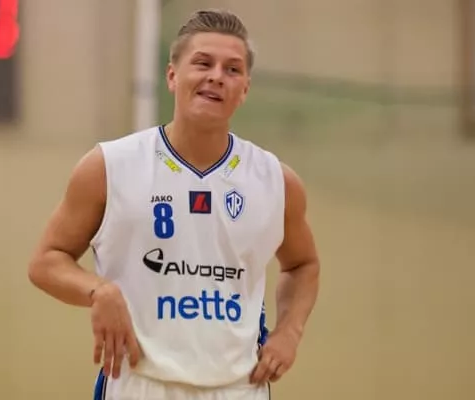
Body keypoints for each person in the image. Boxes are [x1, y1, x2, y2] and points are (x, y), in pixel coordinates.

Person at [28, 9, 320, 400]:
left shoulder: (276, 181)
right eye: (203, 63)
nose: (217, 76)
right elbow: (46, 261)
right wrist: (98, 291)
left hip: (239, 387)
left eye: (232, 69)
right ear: (172, 76)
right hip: (139, 383)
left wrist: (289, 332)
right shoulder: (109, 166)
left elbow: (303, 265)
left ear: (245, 89)